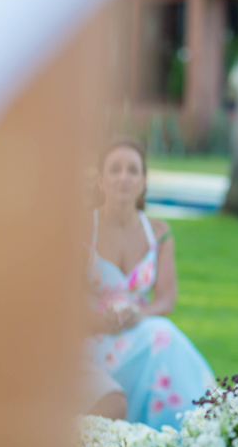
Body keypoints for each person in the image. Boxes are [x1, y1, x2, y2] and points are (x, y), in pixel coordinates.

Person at [88, 137, 215, 429]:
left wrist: (138, 314)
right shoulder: (83, 229)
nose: (124, 178)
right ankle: (194, 429)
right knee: (163, 336)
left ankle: (199, 425)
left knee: (161, 333)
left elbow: (166, 299)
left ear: (144, 180)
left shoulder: (158, 232)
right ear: (100, 179)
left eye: (133, 170)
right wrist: (100, 320)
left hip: (138, 330)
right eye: (115, 169)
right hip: (90, 339)